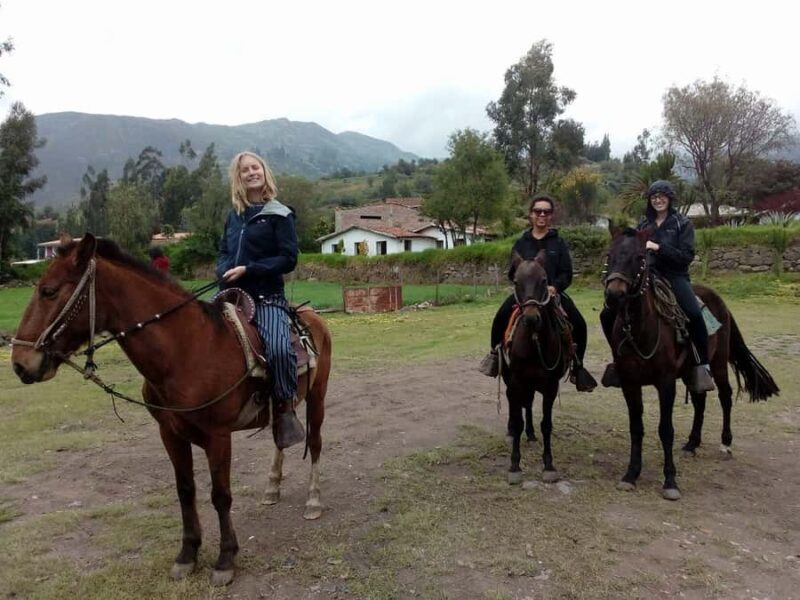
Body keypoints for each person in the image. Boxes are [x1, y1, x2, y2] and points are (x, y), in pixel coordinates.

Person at [216, 151, 305, 449]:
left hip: (267, 296)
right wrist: (223, 271)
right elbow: (223, 252)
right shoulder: (234, 215)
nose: (251, 173)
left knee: (279, 349)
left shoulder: (280, 213)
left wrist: (250, 269)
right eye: (245, 170)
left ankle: (284, 409)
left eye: (256, 168)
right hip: (231, 294)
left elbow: (288, 258)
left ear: (265, 173)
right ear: (238, 178)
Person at [599, 180, 715, 393]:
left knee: (694, 313)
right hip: (647, 277)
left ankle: (702, 366)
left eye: (662, 196)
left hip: (675, 276)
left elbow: (686, 256)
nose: (658, 200)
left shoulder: (682, 223)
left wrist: (658, 247)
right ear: (650, 201)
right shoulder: (644, 225)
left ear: (670, 199)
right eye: (654, 197)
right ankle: (618, 361)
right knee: (607, 314)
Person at [479, 193, 598, 392]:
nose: (542, 214)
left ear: (551, 216)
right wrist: (521, 287)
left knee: (579, 322)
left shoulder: (558, 243)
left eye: (546, 211)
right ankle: (494, 356)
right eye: (537, 211)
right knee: (500, 316)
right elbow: (512, 273)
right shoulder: (521, 242)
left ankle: (578, 366)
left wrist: (555, 287)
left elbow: (566, 273)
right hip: (525, 296)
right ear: (531, 215)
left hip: (551, 293)